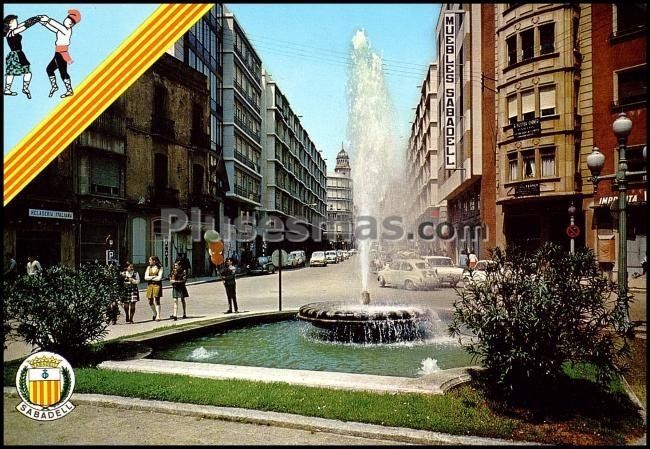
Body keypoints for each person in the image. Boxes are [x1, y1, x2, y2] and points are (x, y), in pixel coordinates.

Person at [39, 9, 80, 98]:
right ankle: (55, 86)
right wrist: (45, 23)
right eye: (69, 20)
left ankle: (69, 90)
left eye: (72, 23)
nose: (70, 23)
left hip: (62, 54)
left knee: (63, 72)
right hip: (58, 53)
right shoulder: (62, 29)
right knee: (49, 69)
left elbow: (57, 26)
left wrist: (48, 19)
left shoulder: (66, 30)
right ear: (65, 19)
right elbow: (54, 28)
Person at [3, 14, 41, 98]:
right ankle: (22, 88)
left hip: (16, 54)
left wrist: (35, 18)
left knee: (14, 73)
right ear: (10, 24)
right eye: (15, 21)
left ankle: (11, 89)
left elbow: (24, 23)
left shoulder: (12, 31)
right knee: (23, 73)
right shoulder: (12, 32)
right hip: (16, 54)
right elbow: (25, 26)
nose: (17, 22)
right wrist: (36, 20)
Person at [144, 255, 164, 321]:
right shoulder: (148, 267)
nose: (149, 261)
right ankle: (154, 313)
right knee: (150, 301)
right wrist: (153, 277)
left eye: (150, 260)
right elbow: (145, 277)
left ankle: (158, 315)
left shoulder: (160, 268)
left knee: (157, 300)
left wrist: (150, 278)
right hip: (150, 285)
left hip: (157, 285)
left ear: (154, 261)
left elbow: (159, 278)